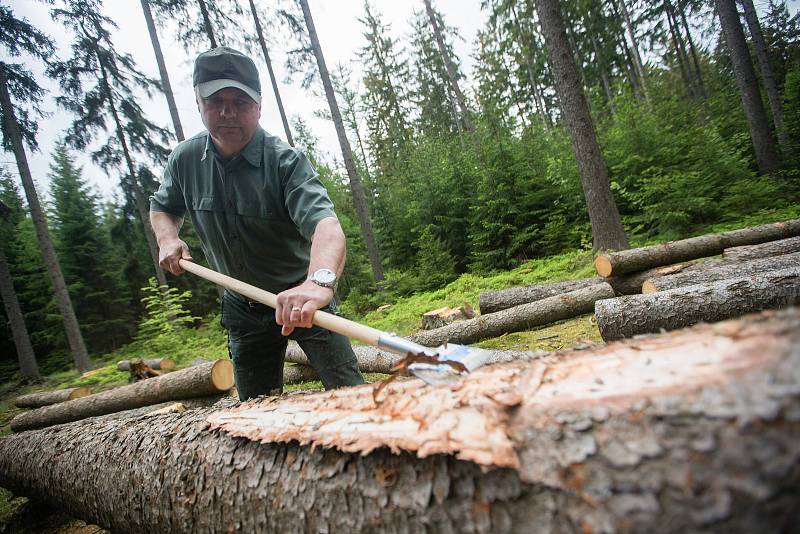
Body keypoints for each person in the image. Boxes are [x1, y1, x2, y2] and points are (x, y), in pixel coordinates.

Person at [149, 46, 365, 400]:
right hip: (242, 310)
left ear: (260, 106)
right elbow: (162, 207)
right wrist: (167, 237)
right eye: (217, 100)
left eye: (241, 102)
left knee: (352, 395)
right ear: (199, 102)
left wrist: (319, 283)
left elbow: (326, 226)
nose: (228, 112)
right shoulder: (185, 160)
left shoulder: (286, 162)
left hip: (303, 299)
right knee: (255, 412)